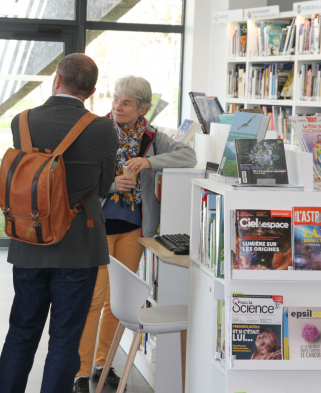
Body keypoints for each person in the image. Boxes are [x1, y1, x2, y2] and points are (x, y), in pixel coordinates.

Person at [0, 53, 117, 393]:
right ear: (91, 92)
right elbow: (105, 183)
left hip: (29, 242)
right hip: (78, 247)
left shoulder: (21, 122)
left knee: (21, 331)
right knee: (65, 340)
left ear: (56, 79)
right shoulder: (103, 128)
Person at [73, 75, 197, 393]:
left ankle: (104, 364)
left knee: (119, 303)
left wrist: (150, 162)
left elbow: (189, 156)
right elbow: (80, 176)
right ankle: (81, 373)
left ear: (143, 108)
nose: (117, 107)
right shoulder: (95, 130)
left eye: (126, 102)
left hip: (134, 231)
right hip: (97, 227)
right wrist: (114, 183)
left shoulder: (152, 136)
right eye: (115, 99)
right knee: (93, 301)